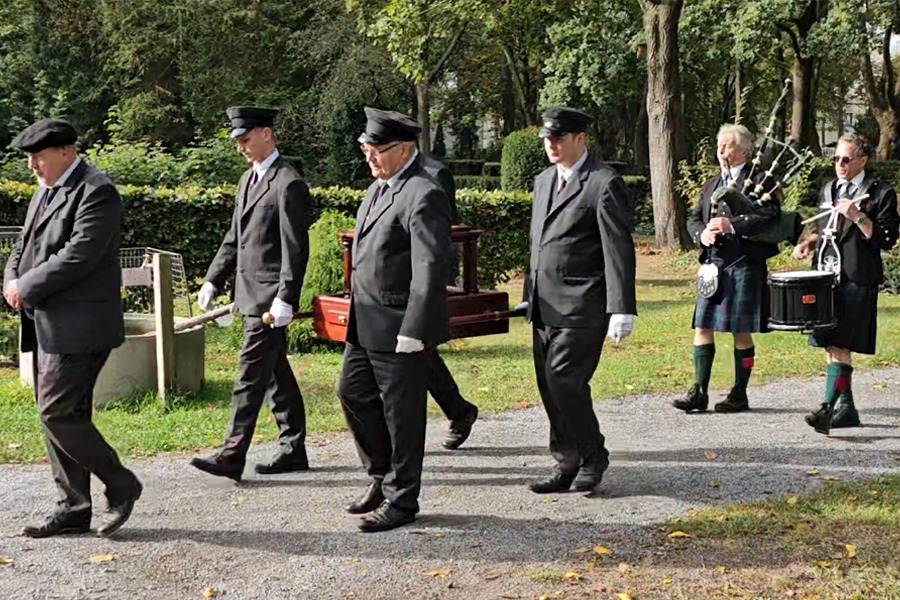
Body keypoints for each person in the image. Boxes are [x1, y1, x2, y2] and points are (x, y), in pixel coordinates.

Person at [2, 119, 141, 538]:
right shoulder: (45, 190)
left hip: (81, 324)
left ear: (66, 151)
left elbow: (80, 254)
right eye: (29, 158)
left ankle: (121, 483)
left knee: (57, 412)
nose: (32, 166)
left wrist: (26, 285)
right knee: (60, 415)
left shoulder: (96, 190)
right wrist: (12, 278)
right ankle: (74, 508)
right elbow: (23, 245)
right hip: (47, 321)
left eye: (38, 157)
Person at [337, 107, 451, 532]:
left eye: (378, 149)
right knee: (352, 392)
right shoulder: (377, 189)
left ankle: (402, 499)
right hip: (365, 321)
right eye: (365, 148)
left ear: (403, 149)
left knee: (402, 414)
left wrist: (416, 327)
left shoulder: (423, 193)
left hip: (400, 323)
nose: (370, 157)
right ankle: (380, 477)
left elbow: (430, 266)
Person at [190, 106, 312, 482]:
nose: (240, 147)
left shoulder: (288, 182)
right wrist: (213, 279)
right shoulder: (248, 179)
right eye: (238, 141)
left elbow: (295, 249)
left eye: (245, 139)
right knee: (275, 373)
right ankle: (293, 449)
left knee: (249, 374)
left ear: (266, 134)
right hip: (249, 295)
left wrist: (286, 297)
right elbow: (235, 239)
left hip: (269, 300)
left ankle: (232, 453)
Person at [520, 107, 636, 494]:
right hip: (545, 304)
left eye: (559, 138)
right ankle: (566, 460)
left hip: (583, 304)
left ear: (580, 139)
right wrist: (529, 294)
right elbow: (537, 244)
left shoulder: (602, 182)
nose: (551, 145)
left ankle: (593, 454)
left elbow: (617, 249)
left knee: (564, 379)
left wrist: (621, 307)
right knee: (549, 385)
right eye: (547, 138)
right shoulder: (543, 181)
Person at [793, 133, 899, 434]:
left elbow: (887, 239)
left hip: (856, 276)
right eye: (836, 158)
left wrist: (859, 217)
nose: (839, 164)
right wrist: (809, 243)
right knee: (830, 345)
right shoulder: (829, 188)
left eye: (846, 159)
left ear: (862, 160)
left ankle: (827, 409)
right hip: (825, 277)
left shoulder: (880, 194)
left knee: (840, 343)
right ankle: (847, 409)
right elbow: (825, 228)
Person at [674, 124, 779, 414]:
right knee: (702, 326)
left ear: (744, 151)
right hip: (714, 265)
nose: (721, 150)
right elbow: (693, 217)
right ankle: (698, 392)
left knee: (740, 329)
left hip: (744, 263)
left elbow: (770, 217)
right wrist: (701, 235)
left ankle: (739, 393)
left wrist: (732, 225)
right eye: (719, 144)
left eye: (727, 145)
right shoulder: (711, 183)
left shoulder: (762, 181)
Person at [419, 153, 479, 450]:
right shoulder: (384, 171)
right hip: (391, 279)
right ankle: (459, 410)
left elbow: (444, 230)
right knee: (415, 352)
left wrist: (443, 279)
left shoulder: (435, 173)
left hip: (423, 278)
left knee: (418, 349)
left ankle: (458, 411)